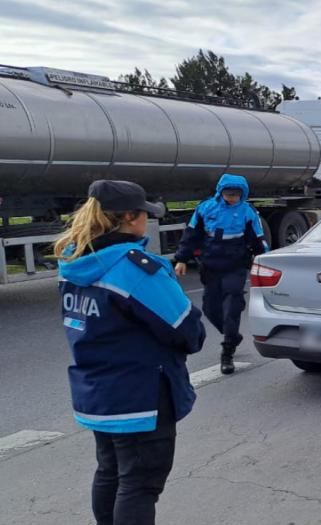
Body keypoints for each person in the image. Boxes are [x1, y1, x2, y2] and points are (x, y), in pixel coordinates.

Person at [56, 180, 206, 525]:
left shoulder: (74, 263)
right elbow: (188, 331)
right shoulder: (133, 269)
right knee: (140, 485)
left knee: (110, 472)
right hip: (140, 396)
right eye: (144, 214)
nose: (146, 222)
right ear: (128, 217)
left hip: (97, 392)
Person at [173, 174, 268, 374]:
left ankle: (227, 352)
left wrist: (262, 261)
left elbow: (257, 240)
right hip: (211, 264)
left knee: (232, 305)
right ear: (220, 192)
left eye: (235, 194)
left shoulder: (248, 212)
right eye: (228, 193)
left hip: (236, 265)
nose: (231, 197)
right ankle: (231, 335)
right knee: (210, 308)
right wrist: (182, 258)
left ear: (243, 194)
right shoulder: (205, 208)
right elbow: (191, 235)